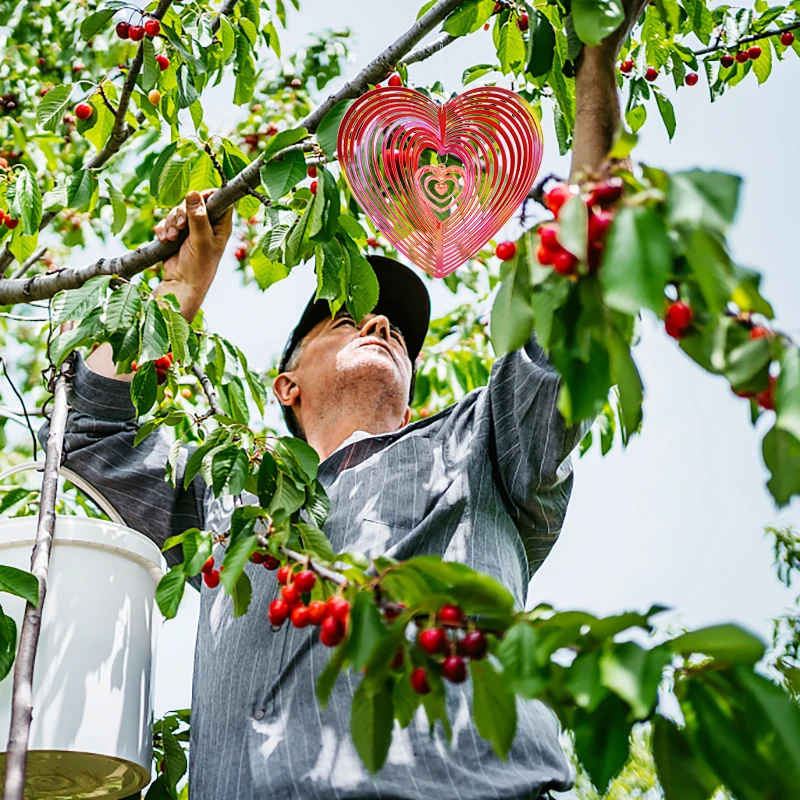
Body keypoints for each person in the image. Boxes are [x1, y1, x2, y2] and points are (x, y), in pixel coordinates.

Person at [39, 182, 588, 799]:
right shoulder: (232, 499)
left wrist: (592, 109)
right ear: (286, 385)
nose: (382, 323)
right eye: (349, 318)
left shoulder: (479, 444)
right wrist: (175, 294)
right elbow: (90, 434)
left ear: (409, 403)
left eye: (399, 335)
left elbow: (571, 319)